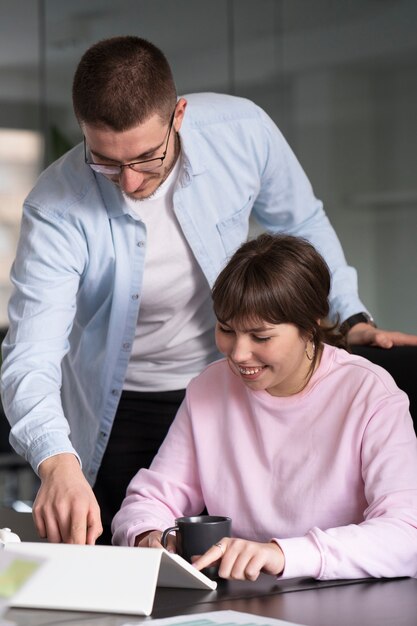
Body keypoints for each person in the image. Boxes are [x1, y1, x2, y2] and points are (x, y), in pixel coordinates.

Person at [1, 37, 417, 547]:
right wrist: (56, 462)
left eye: (146, 159)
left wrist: (351, 317)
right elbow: (31, 355)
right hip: (121, 405)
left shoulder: (242, 132)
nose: (129, 183)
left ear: (178, 115)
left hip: (230, 387)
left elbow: (303, 221)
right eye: (106, 163)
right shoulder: (57, 204)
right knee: (140, 545)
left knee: (245, 544)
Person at [112, 233, 417, 581]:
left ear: (311, 324)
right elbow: (151, 499)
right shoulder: (208, 388)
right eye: (226, 329)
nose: (239, 354)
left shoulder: (370, 394)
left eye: (261, 337)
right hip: (242, 602)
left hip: (347, 600)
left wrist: (282, 554)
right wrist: (148, 535)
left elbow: (406, 535)